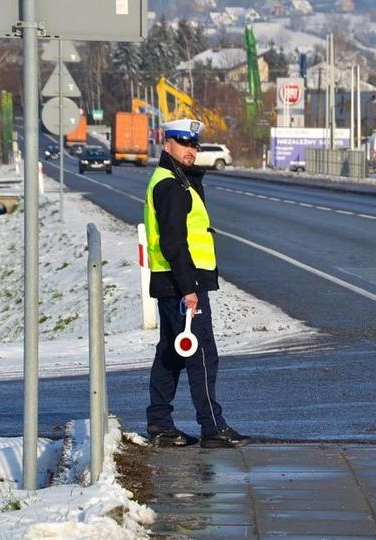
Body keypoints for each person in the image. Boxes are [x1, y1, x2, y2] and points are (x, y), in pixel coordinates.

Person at [143, 118, 250, 448]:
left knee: (171, 354)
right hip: (181, 285)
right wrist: (189, 289)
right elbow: (174, 242)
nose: (191, 150)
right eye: (184, 142)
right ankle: (212, 427)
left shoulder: (176, 180)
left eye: (194, 144)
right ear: (167, 143)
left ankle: (160, 424)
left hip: (172, 282)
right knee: (202, 353)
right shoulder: (170, 186)